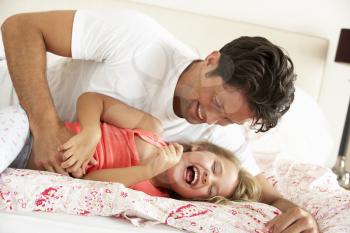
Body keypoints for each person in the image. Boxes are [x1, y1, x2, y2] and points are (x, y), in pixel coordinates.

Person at [0, 10, 318, 232]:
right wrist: (45, 128)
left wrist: (293, 211)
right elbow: (19, 27)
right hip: (9, 104)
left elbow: (259, 189)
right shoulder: (139, 39)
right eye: (217, 102)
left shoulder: (211, 143)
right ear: (212, 61)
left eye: (227, 120)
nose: (209, 118)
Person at [1, 94, 261, 203]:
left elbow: (90, 182)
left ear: (194, 199)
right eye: (214, 167)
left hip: (24, 170)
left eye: (211, 189)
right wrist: (91, 133)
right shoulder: (151, 130)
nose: (207, 177)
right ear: (199, 147)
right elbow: (93, 99)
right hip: (27, 133)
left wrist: (147, 171)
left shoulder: (151, 197)